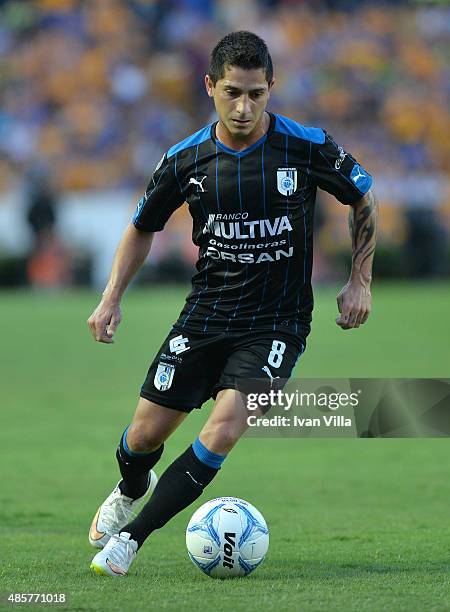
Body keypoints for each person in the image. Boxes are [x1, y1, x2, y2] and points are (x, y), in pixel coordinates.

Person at [87, 31, 378, 577]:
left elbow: (362, 195)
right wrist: (111, 300)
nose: (244, 107)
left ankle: (130, 540)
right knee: (143, 438)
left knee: (222, 428)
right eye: (231, 93)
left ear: (271, 88)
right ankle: (131, 484)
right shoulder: (185, 159)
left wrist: (360, 280)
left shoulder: (307, 146)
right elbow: (141, 227)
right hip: (207, 313)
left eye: (256, 94)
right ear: (209, 87)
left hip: (277, 322)